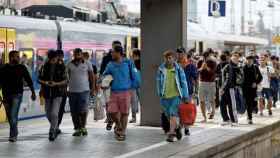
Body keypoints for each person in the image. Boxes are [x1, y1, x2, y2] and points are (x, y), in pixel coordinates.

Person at [102, 45, 140, 141]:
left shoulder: (128, 63)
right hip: (114, 92)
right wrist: (103, 82)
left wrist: (133, 86)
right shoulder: (110, 64)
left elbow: (135, 75)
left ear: (118, 53)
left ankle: (122, 132)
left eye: (113, 52)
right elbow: (105, 75)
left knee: (125, 113)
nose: (111, 54)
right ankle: (118, 125)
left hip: (126, 91)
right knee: (112, 112)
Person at [0, 50, 36, 142]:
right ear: (11, 57)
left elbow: (28, 80)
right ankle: (14, 133)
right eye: (17, 56)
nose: (19, 58)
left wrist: (33, 92)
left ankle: (13, 135)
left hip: (17, 94)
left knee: (13, 115)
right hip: (6, 95)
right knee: (10, 116)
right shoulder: (3, 68)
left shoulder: (22, 67)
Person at [156, 50, 189, 142]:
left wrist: (185, 95)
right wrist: (159, 93)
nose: (168, 60)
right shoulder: (161, 69)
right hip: (165, 96)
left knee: (172, 113)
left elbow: (184, 82)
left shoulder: (178, 69)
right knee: (167, 114)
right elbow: (158, 82)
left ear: (174, 59)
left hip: (176, 96)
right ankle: (177, 127)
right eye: (166, 58)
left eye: (170, 58)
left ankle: (171, 133)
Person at [38, 50, 67, 141]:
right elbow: (39, 79)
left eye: (54, 59)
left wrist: (56, 84)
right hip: (47, 93)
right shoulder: (44, 67)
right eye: (52, 59)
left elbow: (66, 80)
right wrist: (46, 82)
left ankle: (52, 131)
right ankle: (56, 127)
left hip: (58, 93)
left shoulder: (61, 67)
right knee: (48, 113)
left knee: (54, 113)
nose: (53, 60)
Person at [67, 48, 95, 136]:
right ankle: (77, 128)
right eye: (76, 54)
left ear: (81, 54)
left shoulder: (87, 63)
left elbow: (91, 77)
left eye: (79, 54)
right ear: (73, 55)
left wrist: (93, 88)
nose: (77, 56)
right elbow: (67, 78)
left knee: (82, 110)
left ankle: (83, 127)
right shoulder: (69, 64)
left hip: (84, 90)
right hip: (72, 91)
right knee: (74, 111)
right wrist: (66, 89)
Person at [100, 40, 122, 131]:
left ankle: (118, 123)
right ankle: (110, 120)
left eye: (118, 48)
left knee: (119, 105)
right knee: (109, 104)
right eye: (115, 47)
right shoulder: (106, 58)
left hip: (120, 85)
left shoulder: (124, 59)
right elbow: (102, 71)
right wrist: (102, 82)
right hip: (108, 85)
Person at [177, 48, 197, 135]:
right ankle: (179, 127)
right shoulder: (174, 65)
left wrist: (196, 90)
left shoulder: (190, 65)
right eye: (178, 53)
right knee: (177, 110)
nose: (179, 55)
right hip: (176, 91)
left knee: (187, 110)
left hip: (188, 91)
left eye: (181, 53)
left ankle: (187, 128)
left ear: (184, 54)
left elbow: (196, 77)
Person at [220, 52, 243, 126]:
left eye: (237, 57)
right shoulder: (228, 66)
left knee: (232, 105)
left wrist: (222, 88)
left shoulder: (236, 67)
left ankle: (234, 121)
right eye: (234, 56)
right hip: (225, 88)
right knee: (222, 104)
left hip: (230, 89)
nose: (236, 58)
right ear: (231, 57)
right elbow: (225, 78)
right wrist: (222, 88)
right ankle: (226, 119)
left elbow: (229, 79)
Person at [242, 54, 262, 124]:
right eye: (248, 60)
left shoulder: (255, 67)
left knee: (253, 103)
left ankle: (250, 113)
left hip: (253, 89)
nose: (249, 61)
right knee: (248, 103)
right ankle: (250, 118)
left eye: (251, 60)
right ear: (246, 60)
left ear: (253, 61)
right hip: (245, 88)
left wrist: (256, 83)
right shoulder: (243, 67)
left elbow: (260, 77)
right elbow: (240, 78)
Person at [197, 51, 217, 122]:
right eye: (204, 57)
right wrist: (202, 68)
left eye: (207, 56)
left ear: (209, 56)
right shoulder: (200, 62)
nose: (205, 58)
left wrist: (207, 68)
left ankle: (213, 112)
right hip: (202, 82)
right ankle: (204, 117)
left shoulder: (213, 62)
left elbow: (214, 72)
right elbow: (197, 71)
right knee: (201, 100)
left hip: (211, 83)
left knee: (212, 100)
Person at [56, 50, 68, 134]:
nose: (60, 58)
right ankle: (55, 125)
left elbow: (67, 79)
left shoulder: (64, 66)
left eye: (61, 56)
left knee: (59, 110)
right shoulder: (51, 66)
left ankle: (56, 126)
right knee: (56, 110)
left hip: (62, 91)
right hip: (56, 92)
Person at [129, 48, 141, 123]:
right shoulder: (131, 63)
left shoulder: (141, 63)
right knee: (133, 101)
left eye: (133, 54)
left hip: (140, 85)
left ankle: (141, 117)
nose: (131, 56)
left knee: (141, 101)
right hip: (132, 85)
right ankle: (134, 117)